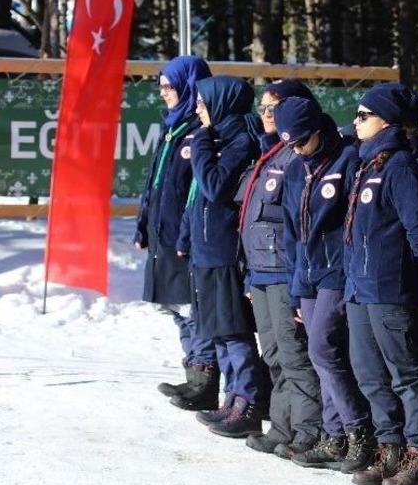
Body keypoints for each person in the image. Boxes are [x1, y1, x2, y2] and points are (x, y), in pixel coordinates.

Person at [344, 82, 418, 485]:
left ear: (387, 120)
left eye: (364, 115)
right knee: (370, 374)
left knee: (406, 374)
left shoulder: (399, 165)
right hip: (360, 288)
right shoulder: (367, 162)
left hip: (390, 288)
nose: (356, 121)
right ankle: (390, 447)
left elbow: (417, 228)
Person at [277, 96, 376, 470]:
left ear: (319, 131)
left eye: (302, 141)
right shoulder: (293, 170)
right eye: (291, 145)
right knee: (319, 355)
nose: (298, 150)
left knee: (323, 349)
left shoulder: (347, 159)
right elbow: (291, 232)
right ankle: (332, 435)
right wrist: (294, 285)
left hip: (338, 270)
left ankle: (358, 431)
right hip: (307, 272)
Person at [239, 79, 323, 457]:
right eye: (263, 108)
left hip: (284, 269)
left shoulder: (295, 156)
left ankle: (307, 430)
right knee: (272, 354)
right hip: (260, 270)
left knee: (294, 356)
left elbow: (296, 224)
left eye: (274, 107)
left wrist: (297, 282)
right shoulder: (269, 153)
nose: (267, 114)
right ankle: (282, 426)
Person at [178, 76, 263, 437]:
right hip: (207, 251)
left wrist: (199, 143)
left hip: (227, 252)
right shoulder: (218, 138)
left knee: (234, 330)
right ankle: (231, 399)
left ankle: (247, 402)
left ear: (222, 102)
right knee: (218, 331)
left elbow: (214, 187)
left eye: (202, 102)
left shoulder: (240, 140)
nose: (197, 109)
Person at [138, 55, 218, 406]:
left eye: (170, 86)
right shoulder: (172, 127)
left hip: (185, 238)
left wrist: (185, 234)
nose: (164, 93)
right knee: (174, 306)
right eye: (160, 86)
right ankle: (193, 371)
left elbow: (194, 191)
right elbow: (155, 183)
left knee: (193, 308)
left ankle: (205, 378)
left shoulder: (199, 130)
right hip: (162, 234)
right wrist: (144, 224)